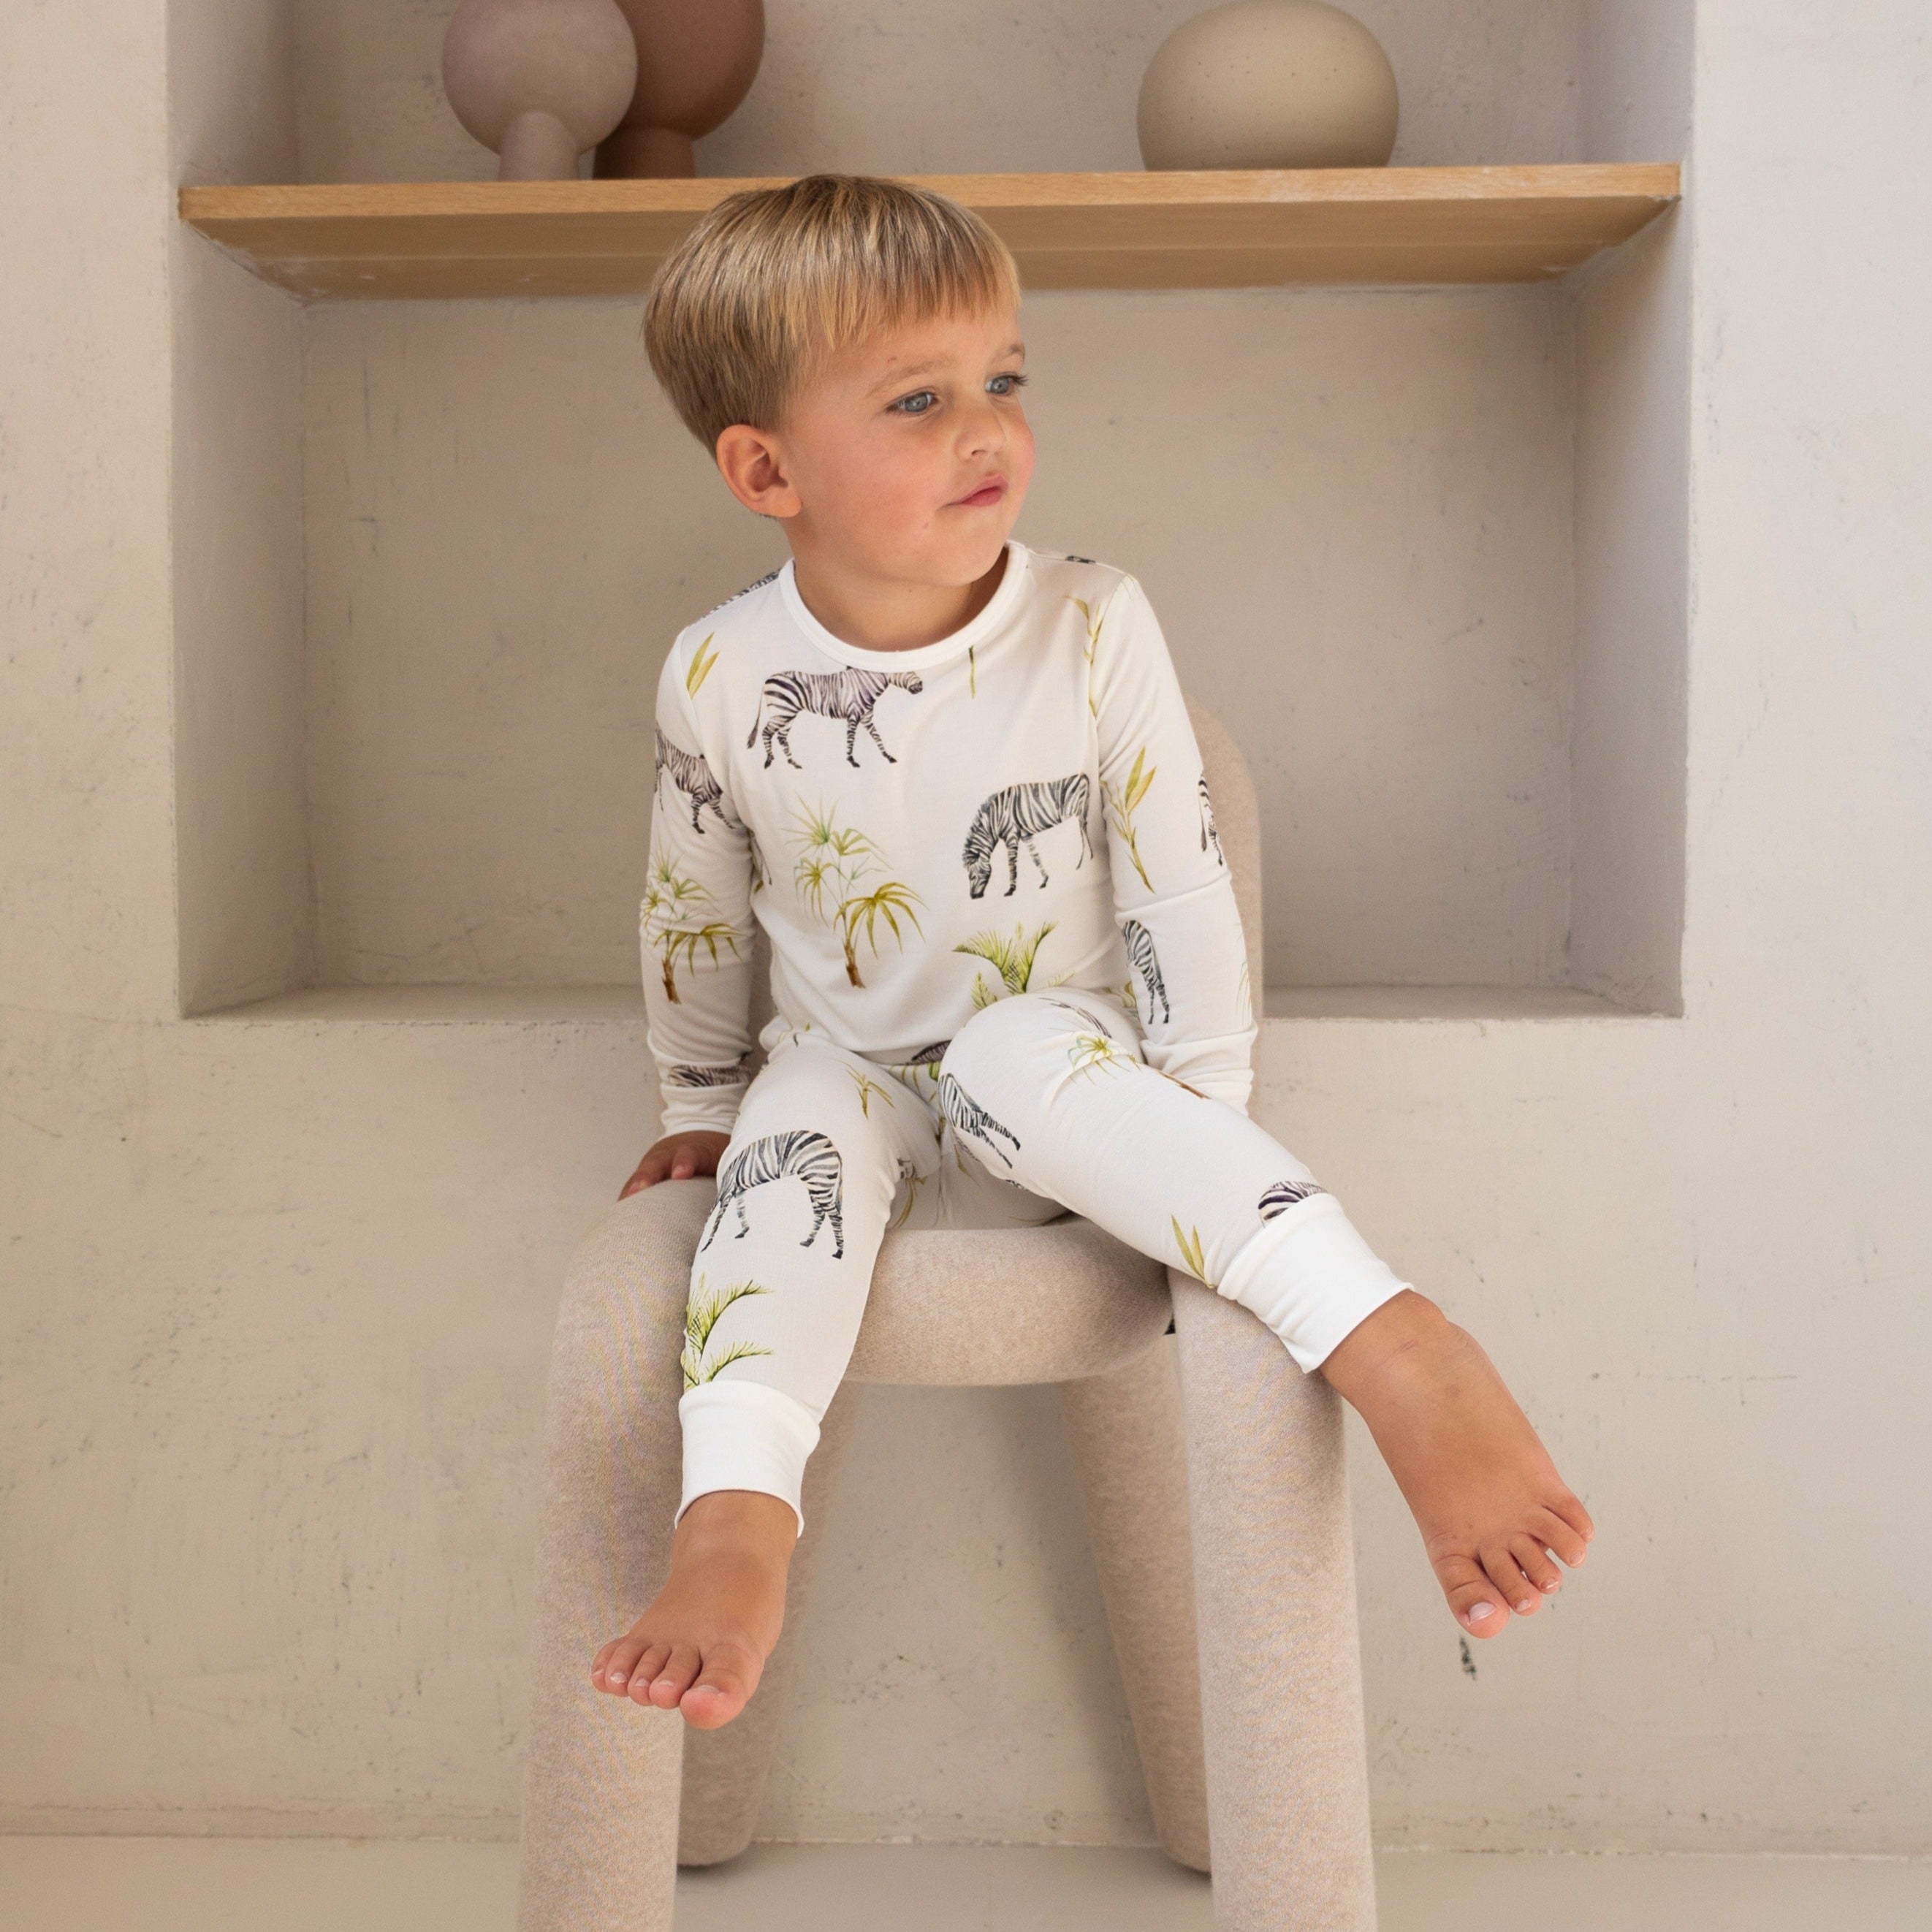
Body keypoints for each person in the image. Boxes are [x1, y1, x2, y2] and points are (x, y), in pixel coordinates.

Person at [590, 175, 1594, 1733]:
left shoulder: (1094, 620)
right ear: (766, 467)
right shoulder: (719, 669)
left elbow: (1177, 876)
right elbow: (692, 903)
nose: (985, 429)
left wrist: (1200, 1116)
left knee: (1010, 1049)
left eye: (1003, 379)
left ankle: (1397, 1344)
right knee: (789, 1138)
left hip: (1058, 1067)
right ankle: (733, 1515)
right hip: (850, 1077)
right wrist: (700, 1108)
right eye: (918, 399)